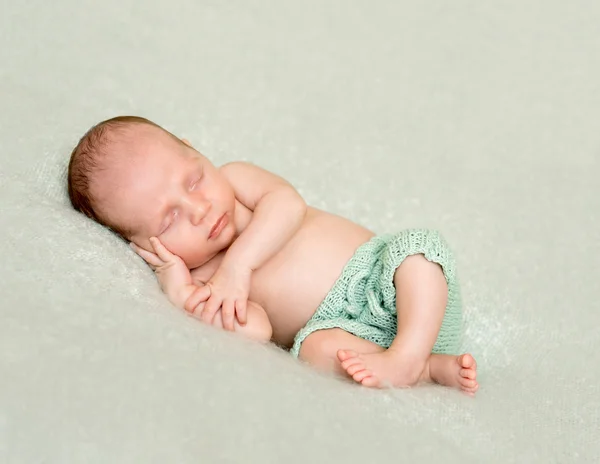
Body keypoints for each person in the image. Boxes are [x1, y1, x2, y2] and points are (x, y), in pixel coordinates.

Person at [67, 116, 478, 394]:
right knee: (313, 352)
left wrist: (239, 265)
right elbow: (258, 332)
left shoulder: (237, 180)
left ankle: (411, 351)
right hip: (349, 337)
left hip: (392, 285)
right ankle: (424, 368)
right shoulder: (206, 282)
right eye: (168, 220)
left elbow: (288, 205)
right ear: (143, 246)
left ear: (197, 151)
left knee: (417, 252)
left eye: (193, 181)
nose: (200, 209)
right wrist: (182, 296)